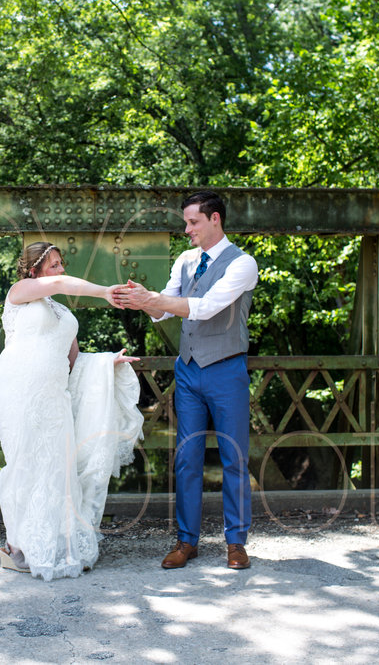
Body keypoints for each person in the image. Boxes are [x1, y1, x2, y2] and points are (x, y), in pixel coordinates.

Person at [112, 191, 258, 570]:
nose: (187, 229)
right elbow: (165, 310)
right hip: (189, 370)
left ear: (215, 220)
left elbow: (206, 307)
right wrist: (140, 300)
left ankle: (236, 543)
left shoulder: (243, 263)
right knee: (187, 460)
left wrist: (154, 300)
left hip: (227, 369)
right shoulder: (185, 259)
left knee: (234, 459)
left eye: (193, 222)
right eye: (186, 222)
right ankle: (186, 542)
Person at [0, 241, 144, 580]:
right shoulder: (21, 291)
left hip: (53, 396)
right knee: (25, 463)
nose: (60, 271)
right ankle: (16, 547)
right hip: (18, 390)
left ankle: (52, 545)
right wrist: (105, 291)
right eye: (54, 264)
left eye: (61, 264)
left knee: (57, 465)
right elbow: (59, 285)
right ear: (35, 270)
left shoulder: (62, 313)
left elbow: (74, 361)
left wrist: (108, 364)